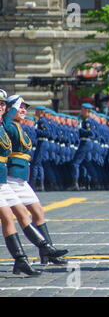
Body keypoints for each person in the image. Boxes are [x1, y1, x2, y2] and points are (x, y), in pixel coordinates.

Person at [4, 95, 68, 266]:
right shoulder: (8, 125)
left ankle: (47, 252)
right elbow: (6, 125)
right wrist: (11, 110)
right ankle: (42, 251)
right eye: (20, 107)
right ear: (11, 110)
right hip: (10, 177)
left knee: (38, 212)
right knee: (14, 217)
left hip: (21, 178)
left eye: (25, 107)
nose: (24, 110)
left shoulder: (18, 125)